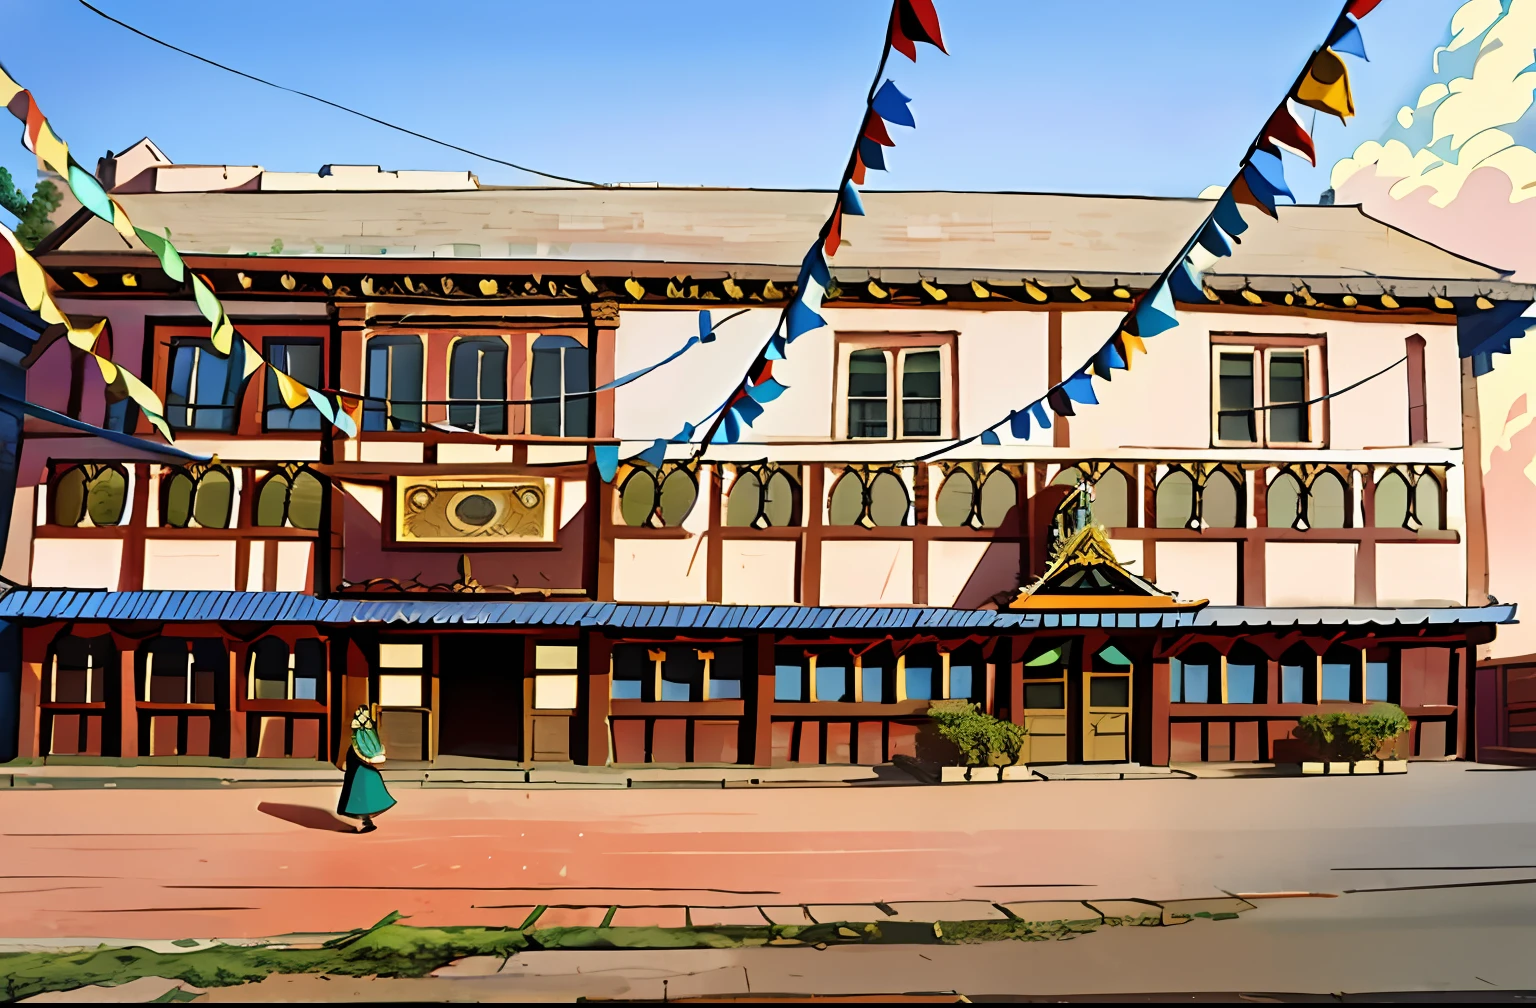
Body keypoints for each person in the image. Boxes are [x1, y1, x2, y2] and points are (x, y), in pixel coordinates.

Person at [337, 704, 395, 833]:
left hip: (362, 768)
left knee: (363, 794)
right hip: (358, 767)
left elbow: (370, 746)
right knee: (359, 795)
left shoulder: (365, 732)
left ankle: (364, 821)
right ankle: (363, 822)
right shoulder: (359, 734)